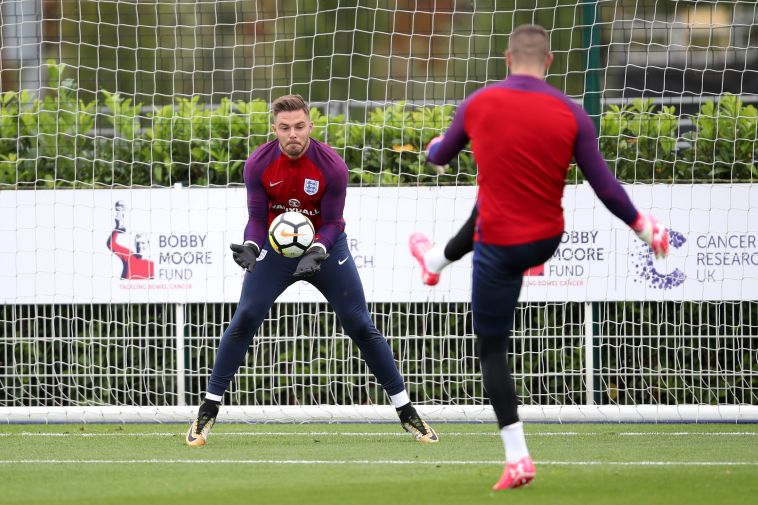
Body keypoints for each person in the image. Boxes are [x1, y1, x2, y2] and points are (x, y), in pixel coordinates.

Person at [409, 24, 669, 490]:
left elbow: (440, 157)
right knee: (489, 199)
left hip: (501, 243)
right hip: (546, 237)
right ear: (548, 62)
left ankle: (518, 459)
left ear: (508, 59)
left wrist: (432, 148)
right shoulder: (572, 113)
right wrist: (645, 228)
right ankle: (433, 263)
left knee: (491, 347)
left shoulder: (480, 101)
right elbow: (605, 187)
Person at [186, 94, 438, 446]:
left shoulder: (332, 166)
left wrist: (318, 250)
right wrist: (251, 247)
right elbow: (257, 220)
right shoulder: (258, 164)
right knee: (244, 317)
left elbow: (334, 221)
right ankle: (207, 412)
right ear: (274, 129)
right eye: (285, 128)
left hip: (325, 249)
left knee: (360, 325)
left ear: (311, 126)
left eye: (300, 127)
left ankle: (407, 412)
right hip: (277, 252)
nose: (293, 134)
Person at [106, 200, 155, 280]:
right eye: (138, 243)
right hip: (125, 291)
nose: (140, 246)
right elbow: (110, 244)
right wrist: (117, 229)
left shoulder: (152, 265)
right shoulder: (128, 255)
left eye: (143, 243)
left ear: (148, 244)